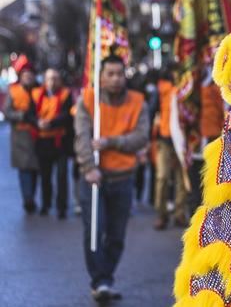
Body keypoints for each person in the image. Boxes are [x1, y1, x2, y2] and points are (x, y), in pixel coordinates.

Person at [74, 55, 149, 301]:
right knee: (94, 231)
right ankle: (100, 280)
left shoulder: (138, 101)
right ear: (101, 76)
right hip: (94, 178)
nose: (116, 79)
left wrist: (110, 142)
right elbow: (82, 137)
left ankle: (105, 277)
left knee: (116, 235)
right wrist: (88, 167)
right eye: (110, 74)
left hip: (123, 178)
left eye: (119, 73)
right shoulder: (88, 100)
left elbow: (140, 138)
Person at [32, 68, 73, 218]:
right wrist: (38, 122)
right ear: (44, 80)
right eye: (49, 78)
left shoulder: (65, 95)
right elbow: (31, 113)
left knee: (62, 175)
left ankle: (61, 207)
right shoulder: (37, 94)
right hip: (43, 141)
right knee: (45, 175)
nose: (52, 82)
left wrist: (51, 123)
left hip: (59, 140)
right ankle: (46, 203)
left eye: (55, 78)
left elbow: (67, 115)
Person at [3, 56, 39, 213]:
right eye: (26, 76)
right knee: (24, 169)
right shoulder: (14, 91)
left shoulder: (39, 91)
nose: (28, 78)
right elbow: (7, 111)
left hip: (37, 136)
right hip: (20, 136)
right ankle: (28, 198)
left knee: (34, 169)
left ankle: (31, 195)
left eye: (30, 76)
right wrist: (21, 116)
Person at [188, 67, 225, 214]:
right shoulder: (190, 87)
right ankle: (194, 211)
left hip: (213, 139)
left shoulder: (216, 87)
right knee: (195, 178)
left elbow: (223, 111)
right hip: (195, 140)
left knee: (209, 179)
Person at [153, 67, 187, 230]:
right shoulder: (162, 91)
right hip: (165, 139)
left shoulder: (186, 89)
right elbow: (153, 110)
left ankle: (178, 213)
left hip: (181, 139)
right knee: (163, 177)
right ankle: (162, 214)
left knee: (181, 178)